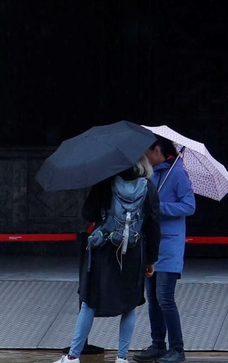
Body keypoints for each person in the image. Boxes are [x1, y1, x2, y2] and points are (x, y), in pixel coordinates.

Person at [52, 156, 161, 363]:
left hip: (104, 252)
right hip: (133, 254)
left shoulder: (106, 183)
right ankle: (121, 358)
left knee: (89, 301)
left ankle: (73, 356)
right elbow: (153, 226)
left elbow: (88, 213)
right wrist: (150, 260)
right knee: (129, 305)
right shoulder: (149, 188)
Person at [136, 136, 196, 363]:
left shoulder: (177, 173)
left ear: (157, 150)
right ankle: (158, 344)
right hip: (151, 244)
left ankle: (177, 349)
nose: (144, 157)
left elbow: (189, 206)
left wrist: (159, 208)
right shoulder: (151, 174)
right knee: (152, 296)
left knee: (165, 297)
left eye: (146, 152)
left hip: (169, 244)